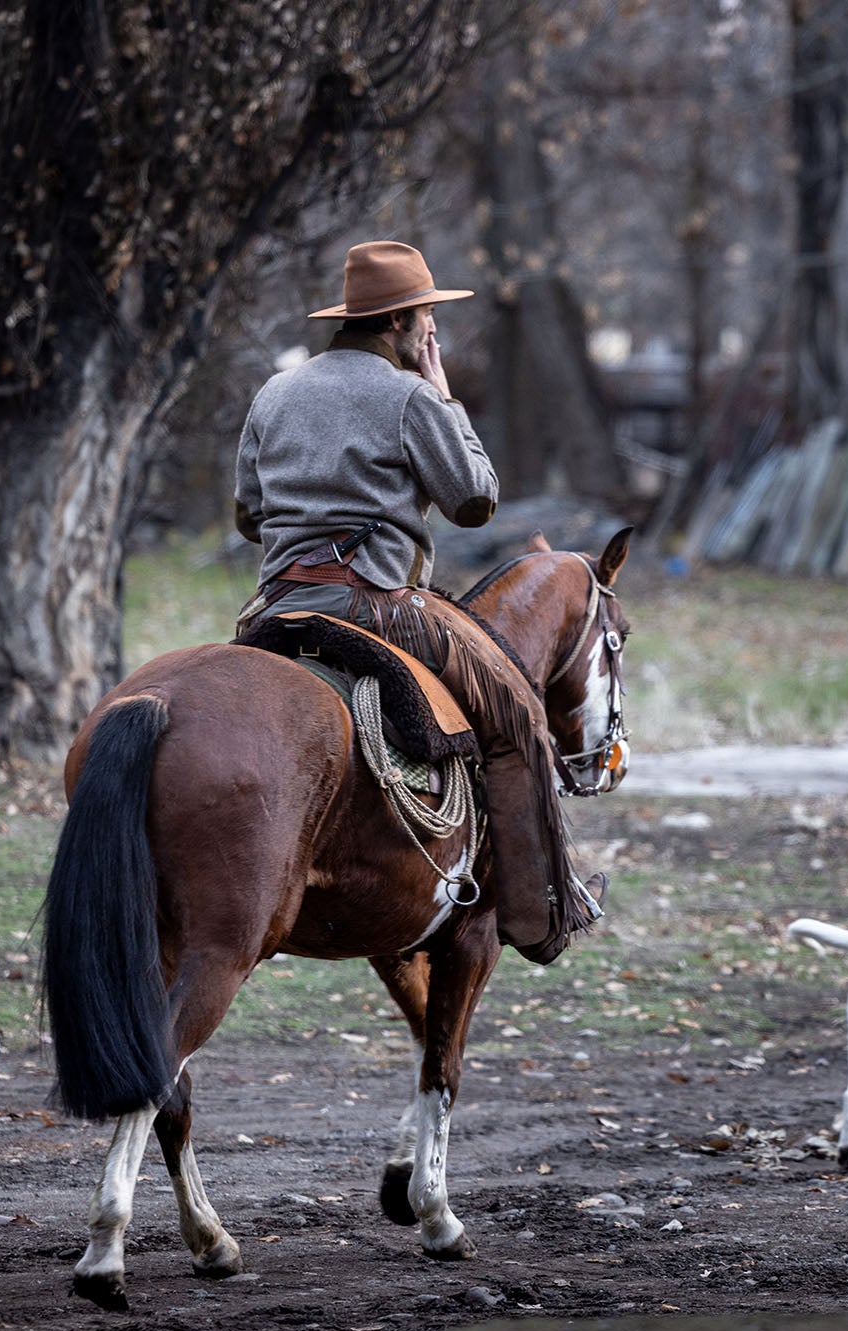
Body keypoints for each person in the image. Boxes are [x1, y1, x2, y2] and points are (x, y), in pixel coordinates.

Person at [232, 240, 605, 964]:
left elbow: (250, 515)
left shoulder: (273, 393)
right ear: (403, 323)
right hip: (376, 605)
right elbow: (474, 499)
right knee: (518, 717)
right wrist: (441, 393)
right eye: (428, 315)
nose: (433, 328)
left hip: (275, 607)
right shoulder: (409, 397)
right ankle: (541, 913)